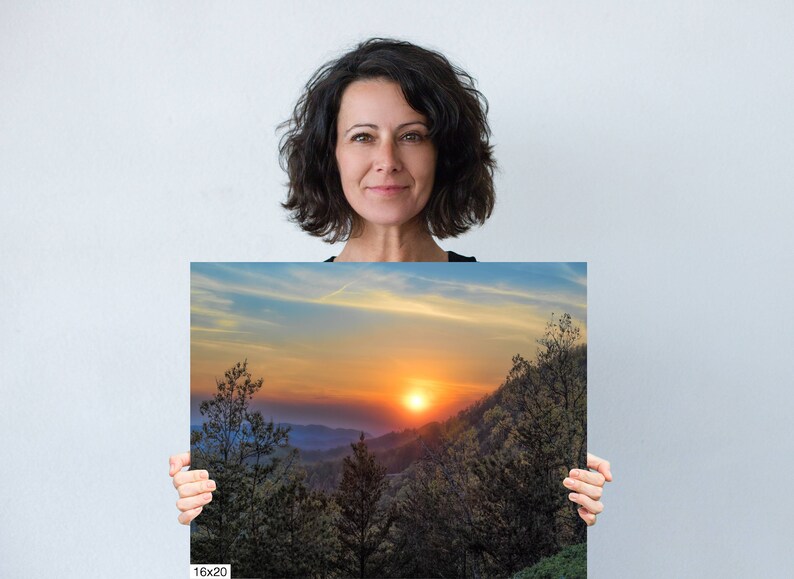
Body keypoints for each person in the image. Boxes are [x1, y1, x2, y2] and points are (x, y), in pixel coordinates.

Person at [170, 38, 612, 527]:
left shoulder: (532, 306)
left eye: (412, 135)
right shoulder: (259, 315)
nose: (387, 159)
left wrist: (575, 502)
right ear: (330, 154)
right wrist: (207, 508)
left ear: (443, 153)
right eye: (362, 136)